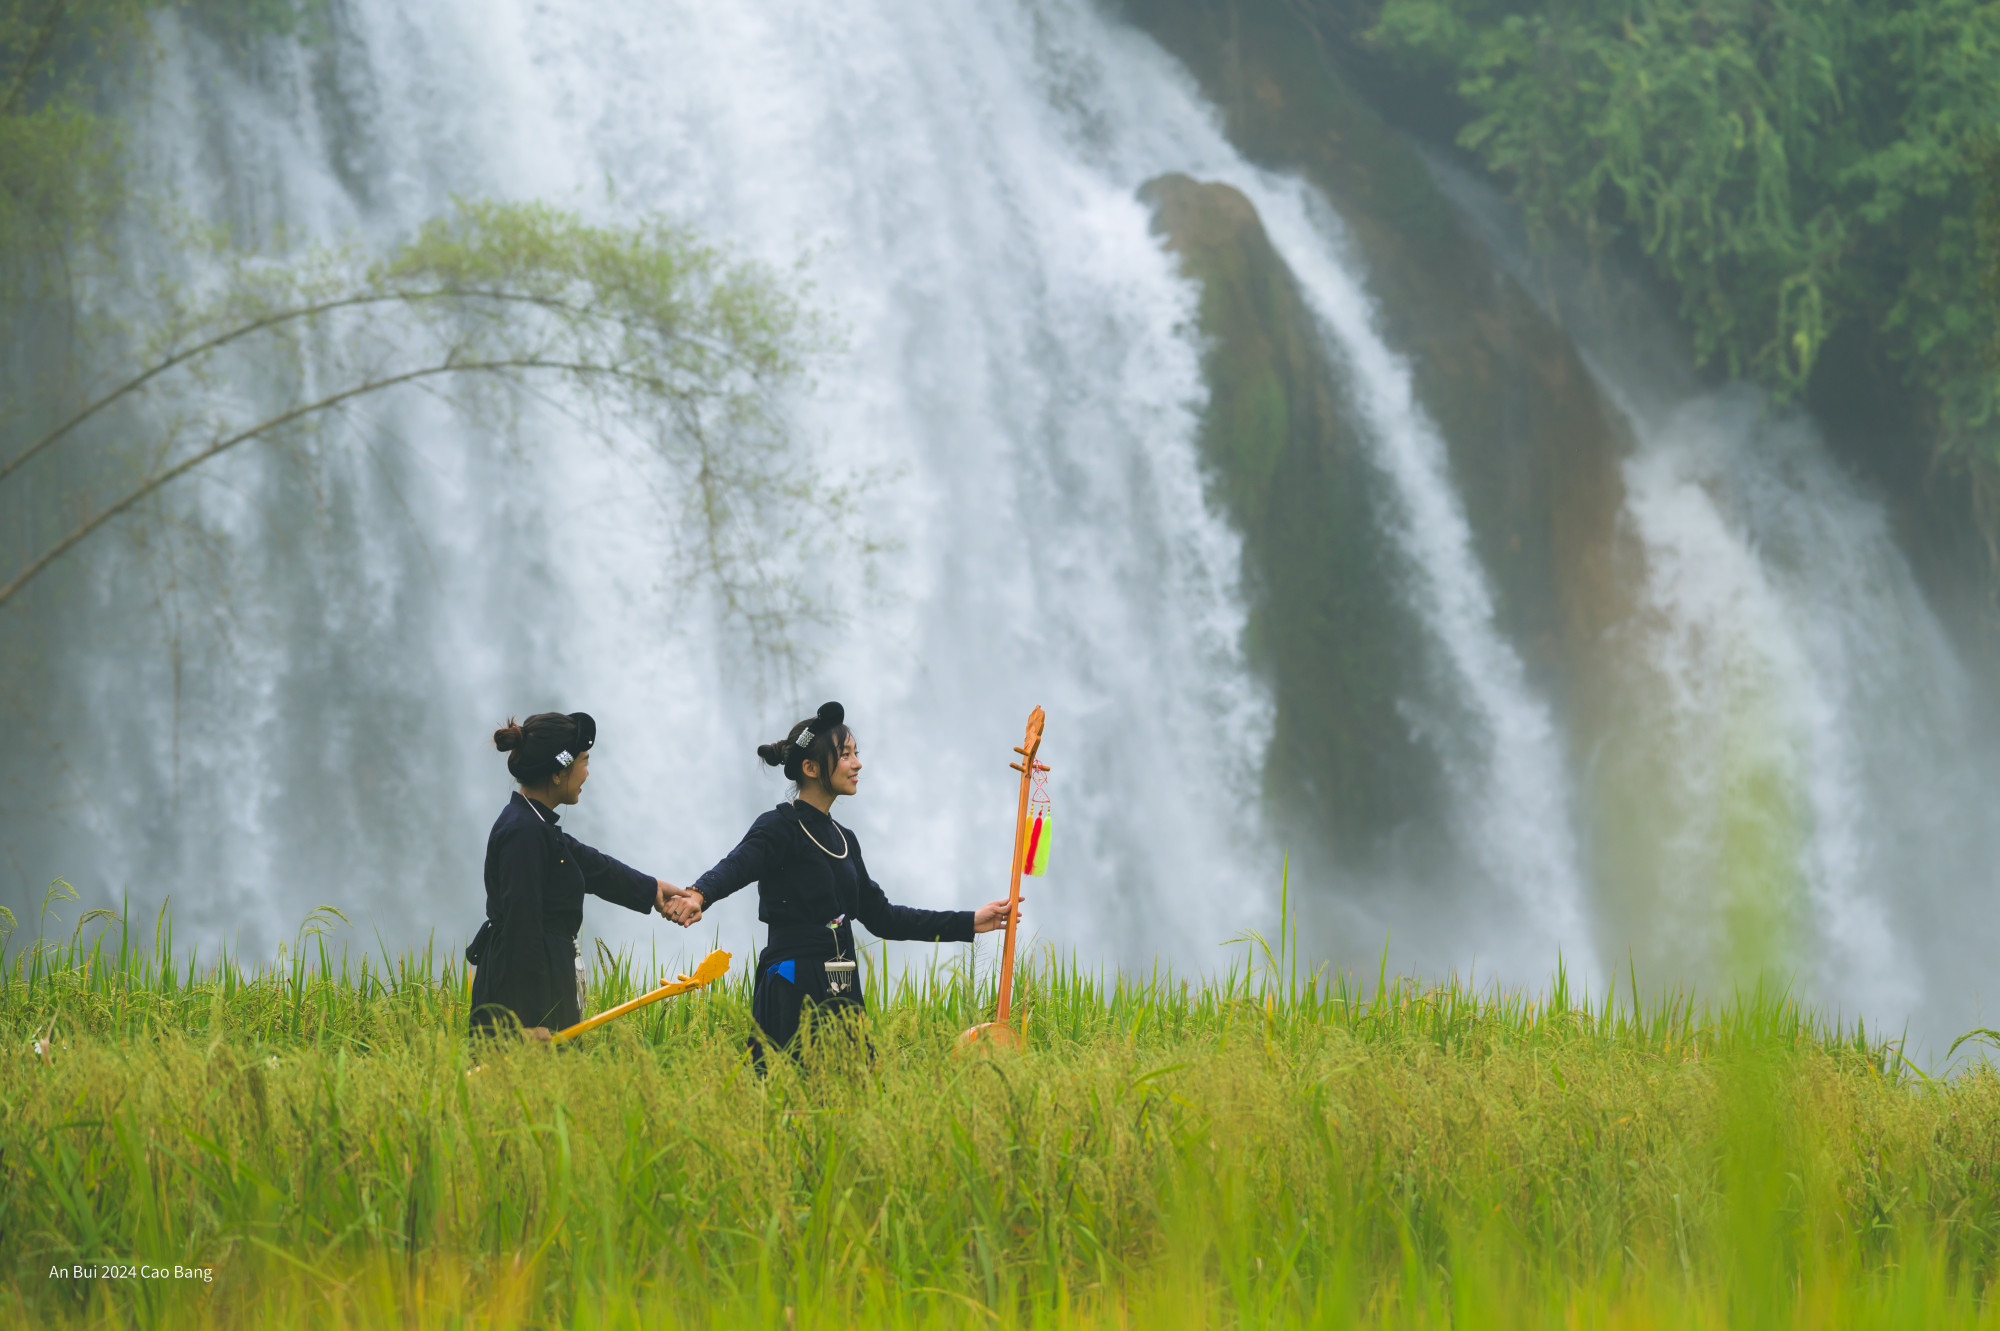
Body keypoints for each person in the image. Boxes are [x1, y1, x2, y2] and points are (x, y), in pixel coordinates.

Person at [667, 701, 1012, 1065]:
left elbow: (883, 917)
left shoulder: (844, 838)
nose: (857, 764)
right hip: (793, 980)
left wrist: (969, 921)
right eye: (845, 755)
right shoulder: (780, 826)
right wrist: (698, 894)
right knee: (791, 1096)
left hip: (841, 982)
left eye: (855, 753)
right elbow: (735, 866)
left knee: (852, 1097)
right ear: (811, 768)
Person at [467, 711, 689, 1040]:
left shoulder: (535, 824)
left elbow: (592, 865)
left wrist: (651, 890)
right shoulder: (523, 832)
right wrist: (525, 1025)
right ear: (558, 773)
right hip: (523, 995)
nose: (587, 772)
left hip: (545, 978)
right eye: (584, 761)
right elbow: (520, 925)